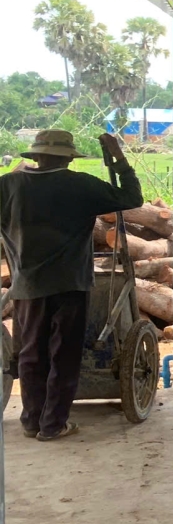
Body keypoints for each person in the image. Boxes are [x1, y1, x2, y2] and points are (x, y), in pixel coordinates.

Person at [0, 130, 142, 440]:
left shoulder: (9, 184)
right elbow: (132, 198)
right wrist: (118, 158)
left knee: (31, 354)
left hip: (27, 285)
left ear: (36, 156)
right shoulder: (79, 185)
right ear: (68, 159)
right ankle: (53, 425)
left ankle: (31, 421)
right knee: (63, 355)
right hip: (69, 284)